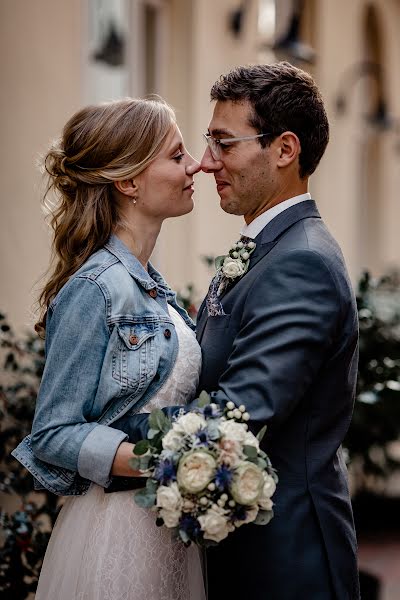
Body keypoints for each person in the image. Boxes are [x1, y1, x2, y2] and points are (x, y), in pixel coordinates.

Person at [123, 62, 360, 599]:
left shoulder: (302, 264)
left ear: (284, 149)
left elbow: (237, 414)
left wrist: (95, 438)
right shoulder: (270, 249)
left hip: (285, 562)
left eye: (224, 144)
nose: (206, 164)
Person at [12, 97, 205, 600]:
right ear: (129, 182)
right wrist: (160, 462)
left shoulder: (153, 287)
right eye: (177, 155)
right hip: (116, 533)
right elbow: (53, 433)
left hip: (170, 531)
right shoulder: (94, 288)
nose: (196, 165)